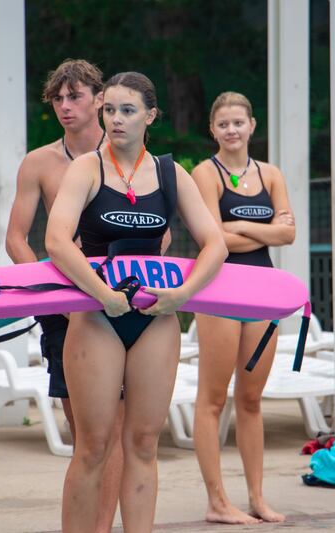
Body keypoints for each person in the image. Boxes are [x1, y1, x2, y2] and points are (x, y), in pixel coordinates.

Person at [46, 71, 227, 532]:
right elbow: (57, 241)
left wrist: (182, 295)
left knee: (144, 444)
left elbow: (216, 245)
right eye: (109, 110)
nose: (116, 119)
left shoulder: (170, 173)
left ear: (150, 116)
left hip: (156, 317)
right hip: (97, 316)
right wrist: (102, 295)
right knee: (93, 447)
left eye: (128, 110)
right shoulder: (87, 169)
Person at [4, 59, 125, 533]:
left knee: (118, 429)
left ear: (99, 99)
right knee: (88, 434)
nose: (65, 106)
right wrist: (49, 289)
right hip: (65, 303)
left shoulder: (127, 153)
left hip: (121, 298)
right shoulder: (40, 162)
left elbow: (157, 231)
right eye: (58, 98)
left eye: (75, 96)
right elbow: (16, 238)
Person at [190, 91, 295, 524]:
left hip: (263, 291)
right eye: (223, 124)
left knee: (251, 399)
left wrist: (239, 225)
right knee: (213, 399)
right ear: (212, 130)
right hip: (219, 290)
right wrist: (265, 228)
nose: (231, 130)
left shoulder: (271, 174)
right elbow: (213, 240)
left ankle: (257, 498)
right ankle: (217, 501)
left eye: (238, 122)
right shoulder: (205, 173)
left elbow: (288, 235)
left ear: (252, 126)